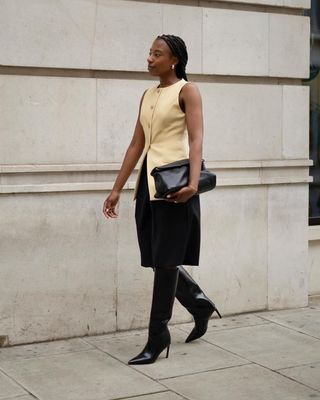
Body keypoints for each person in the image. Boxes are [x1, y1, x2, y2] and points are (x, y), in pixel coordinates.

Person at [103, 34, 221, 365]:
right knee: (158, 258)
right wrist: (116, 189)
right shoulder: (148, 94)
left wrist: (194, 184)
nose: (150, 58)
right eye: (150, 52)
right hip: (148, 187)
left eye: (158, 54)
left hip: (175, 186)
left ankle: (158, 337)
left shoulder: (187, 90)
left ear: (174, 60)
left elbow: (196, 140)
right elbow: (135, 145)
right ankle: (197, 302)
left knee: (166, 261)